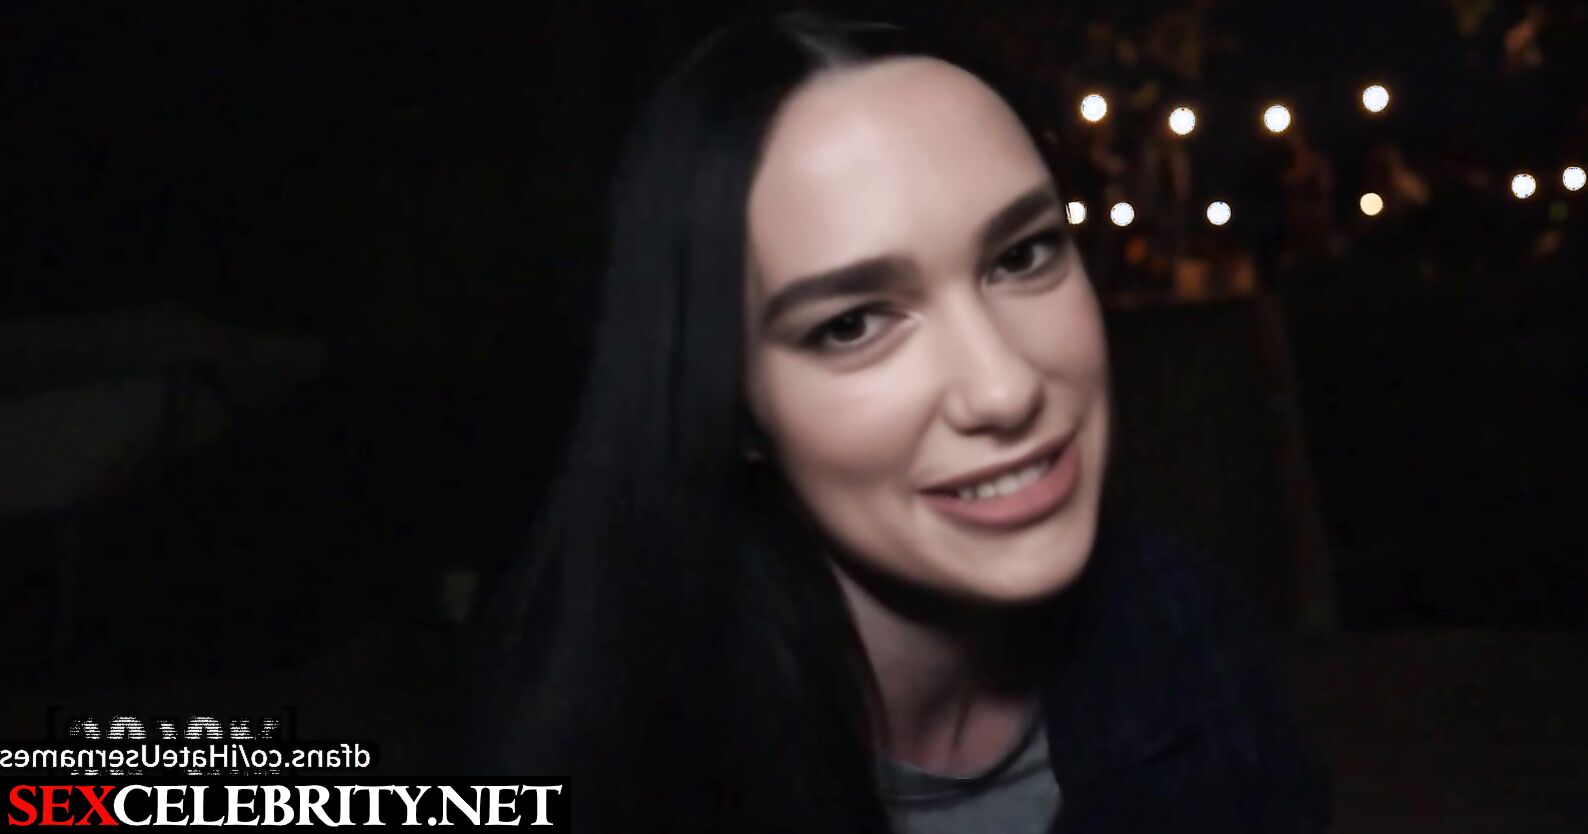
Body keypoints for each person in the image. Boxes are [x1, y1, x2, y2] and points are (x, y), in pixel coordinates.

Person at [475, 11, 1332, 833]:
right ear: (731, 406)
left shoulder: (1194, 650)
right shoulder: (586, 774)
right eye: (852, 324)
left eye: (1022, 255)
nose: (1003, 390)